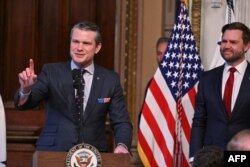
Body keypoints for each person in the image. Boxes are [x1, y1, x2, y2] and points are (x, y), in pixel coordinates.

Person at [14, 21, 133, 153]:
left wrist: (122, 144)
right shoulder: (51, 72)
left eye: (86, 43)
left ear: (98, 47)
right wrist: (25, 90)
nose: (79, 47)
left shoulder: (110, 80)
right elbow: (25, 104)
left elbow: (121, 121)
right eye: (75, 41)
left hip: (93, 155)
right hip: (53, 153)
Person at [189, 22, 250, 161]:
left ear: (246, 46)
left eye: (233, 42)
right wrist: (194, 156)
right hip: (211, 157)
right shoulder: (207, 78)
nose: (226, 46)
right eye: (223, 41)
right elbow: (199, 121)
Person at [138, 37, 169, 126]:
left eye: (165, 53)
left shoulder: (181, 83)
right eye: (159, 53)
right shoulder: (152, 84)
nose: (162, 57)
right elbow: (144, 115)